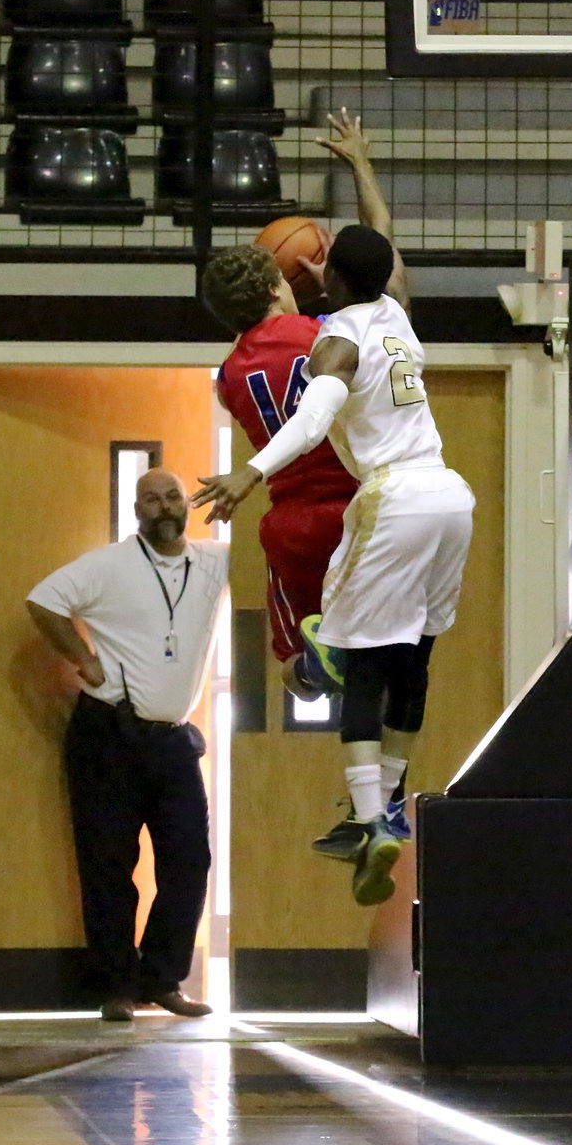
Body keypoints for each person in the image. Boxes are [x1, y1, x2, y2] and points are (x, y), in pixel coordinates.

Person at [192, 226, 475, 909]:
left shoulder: (273, 361)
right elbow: (389, 261)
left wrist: (249, 472)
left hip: (353, 505)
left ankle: (366, 808)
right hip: (444, 496)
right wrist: (362, 181)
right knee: (412, 660)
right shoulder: (389, 317)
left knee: (354, 663)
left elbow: (313, 417)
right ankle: (389, 801)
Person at [201, 108, 400, 705]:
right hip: (359, 505)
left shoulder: (228, 378)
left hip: (291, 521)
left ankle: (315, 671)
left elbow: (268, 353)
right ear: (276, 287)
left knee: (292, 671)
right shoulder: (330, 332)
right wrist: (360, 164)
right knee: (394, 651)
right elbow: (384, 255)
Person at [25, 467, 228, 1021]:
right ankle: (116, 987)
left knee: (189, 860)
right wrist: (83, 659)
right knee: (109, 865)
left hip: (173, 740)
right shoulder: (108, 565)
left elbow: (272, 554)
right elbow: (42, 602)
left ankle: (162, 980)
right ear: (137, 510)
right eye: (151, 500)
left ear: (187, 504)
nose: (163, 507)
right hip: (106, 735)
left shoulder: (215, 561)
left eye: (172, 497)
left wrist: (243, 484)